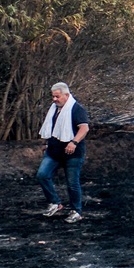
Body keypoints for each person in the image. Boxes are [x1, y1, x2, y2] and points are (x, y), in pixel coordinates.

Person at [36, 82, 90, 223]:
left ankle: (76, 211)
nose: (54, 99)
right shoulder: (54, 109)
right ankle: (54, 202)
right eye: (53, 97)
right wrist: (46, 143)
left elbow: (84, 129)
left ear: (66, 95)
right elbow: (51, 128)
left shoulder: (76, 109)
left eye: (57, 96)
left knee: (72, 183)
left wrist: (74, 142)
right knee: (42, 175)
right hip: (54, 151)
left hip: (73, 153)